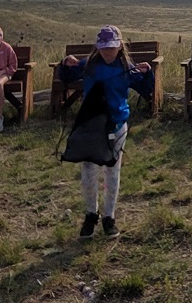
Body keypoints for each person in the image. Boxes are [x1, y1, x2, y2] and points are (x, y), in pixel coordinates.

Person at [60, 26, 151, 239]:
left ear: (119, 47)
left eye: (111, 48)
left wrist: (148, 74)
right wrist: (65, 64)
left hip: (117, 125)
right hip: (91, 126)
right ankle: (91, 214)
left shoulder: (128, 68)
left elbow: (146, 89)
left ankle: (109, 217)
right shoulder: (89, 66)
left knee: (112, 171)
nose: (107, 52)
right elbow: (65, 75)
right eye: (103, 49)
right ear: (98, 48)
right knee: (89, 171)